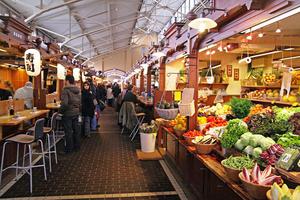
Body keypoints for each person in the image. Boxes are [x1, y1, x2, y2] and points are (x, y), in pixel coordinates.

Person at [59, 75, 81, 154]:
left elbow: (64, 104)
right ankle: (77, 146)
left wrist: (60, 112)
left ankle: (69, 149)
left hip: (68, 114)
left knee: (68, 132)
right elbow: (80, 102)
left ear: (67, 81)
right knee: (76, 130)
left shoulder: (65, 90)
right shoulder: (78, 90)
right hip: (76, 112)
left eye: (65, 80)